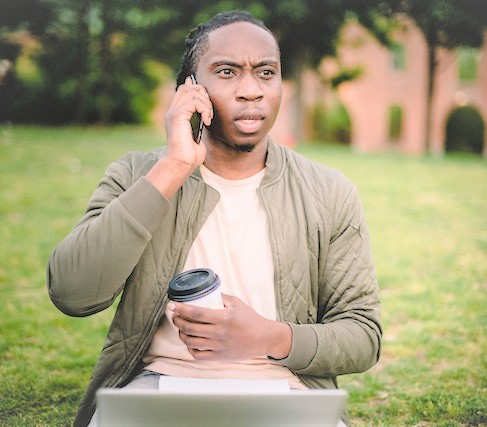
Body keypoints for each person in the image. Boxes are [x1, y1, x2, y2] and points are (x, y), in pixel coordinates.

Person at [47, 10, 382, 427]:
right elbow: (71, 292)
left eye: (266, 72)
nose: (250, 91)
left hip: (287, 392)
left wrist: (267, 336)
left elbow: (363, 335)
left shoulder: (330, 193)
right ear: (191, 91)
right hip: (160, 387)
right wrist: (173, 167)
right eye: (227, 72)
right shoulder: (136, 175)